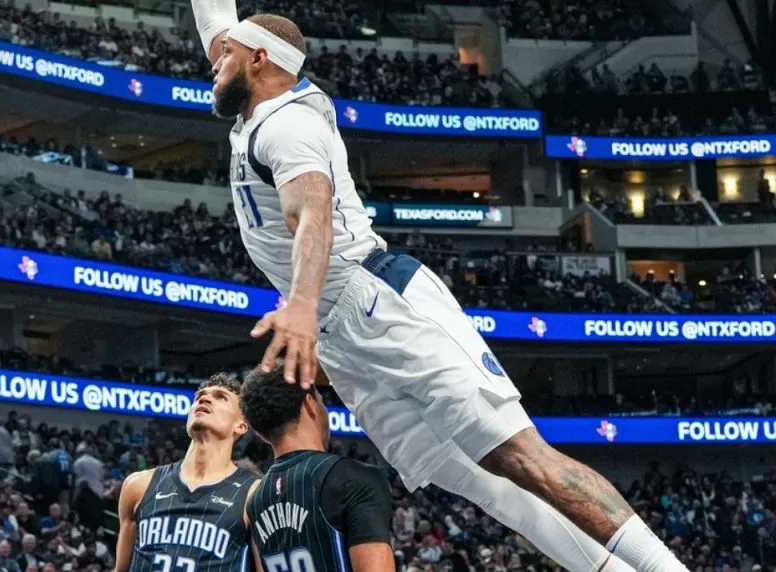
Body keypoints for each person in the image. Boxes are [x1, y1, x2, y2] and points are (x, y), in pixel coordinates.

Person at [187, 4, 684, 571]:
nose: (214, 60)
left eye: (226, 55)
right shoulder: (256, 90)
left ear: (258, 60)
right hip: (342, 334)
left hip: (376, 301)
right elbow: (216, 27)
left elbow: (313, 214)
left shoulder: (288, 126)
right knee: (483, 483)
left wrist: (299, 306)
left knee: (522, 456)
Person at [240, 363, 395, 572]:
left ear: (262, 434)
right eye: (321, 400)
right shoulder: (353, 478)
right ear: (310, 404)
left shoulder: (255, 501)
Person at [114, 375, 259, 571]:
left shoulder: (254, 493)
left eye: (220, 397)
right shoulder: (138, 485)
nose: (204, 399)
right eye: (200, 396)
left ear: (241, 425)